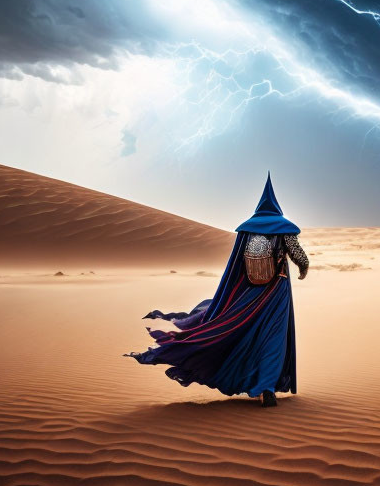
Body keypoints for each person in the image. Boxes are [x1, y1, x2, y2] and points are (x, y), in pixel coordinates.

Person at [126, 173, 309, 407]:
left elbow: (235, 265)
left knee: (249, 335)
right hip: (277, 291)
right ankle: (266, 387)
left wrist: (231, 295)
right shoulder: (285, 229)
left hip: (249, 293)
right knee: (273, 338)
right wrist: (303, 271)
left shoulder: (247, 229)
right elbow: (299, 257)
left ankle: (259, 384)